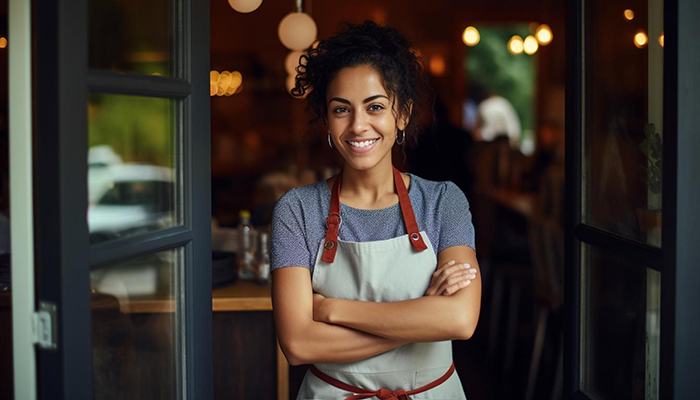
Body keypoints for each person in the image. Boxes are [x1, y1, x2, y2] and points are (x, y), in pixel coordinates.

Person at [271, 21, 481, 400]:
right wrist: (423, 319)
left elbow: (461, 320)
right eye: (341, 110)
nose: (358, 126)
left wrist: (333, 310)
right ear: (327, 121)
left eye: (375, 107)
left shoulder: (444, 202)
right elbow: (299, 344)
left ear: (402, 114)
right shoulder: (296, 210)